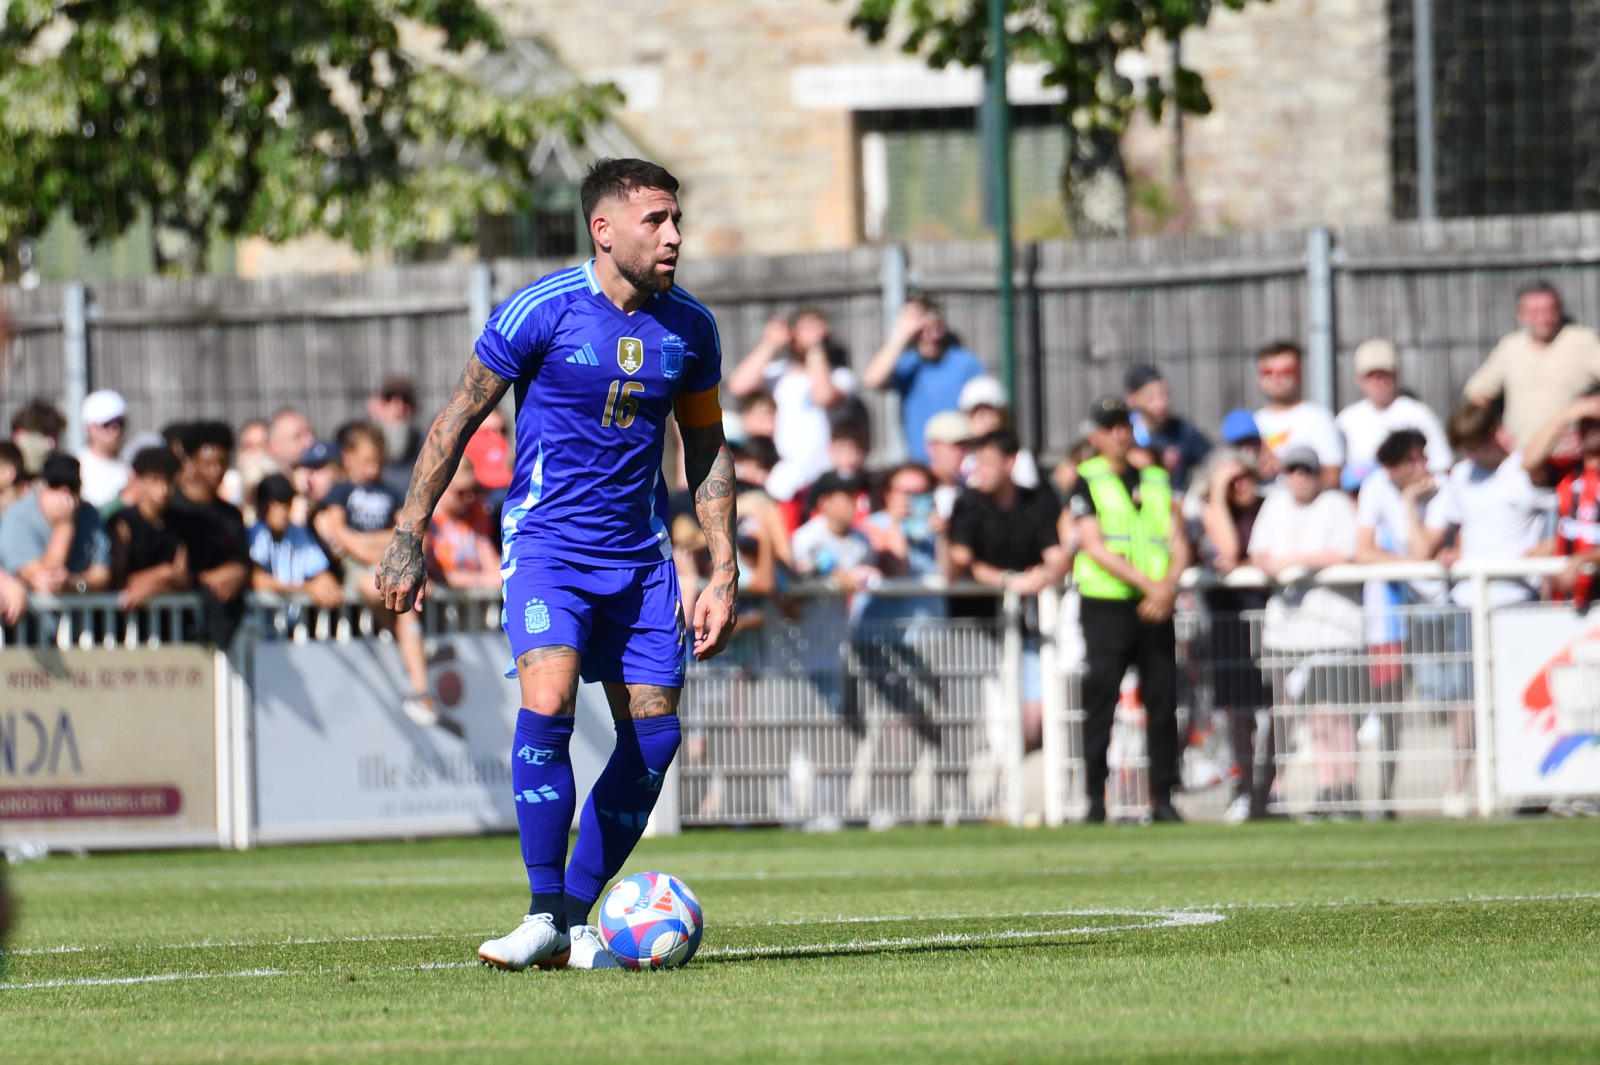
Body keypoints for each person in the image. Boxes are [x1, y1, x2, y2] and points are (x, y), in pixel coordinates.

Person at [374, 157, 736, 972]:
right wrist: (408, 532)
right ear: (603, 230)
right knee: (551, 695)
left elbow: (707, 444)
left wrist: (723, 569)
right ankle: (542, 910)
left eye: (677, 219)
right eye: (656, 221)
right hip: (549, 547)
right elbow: (458, 416)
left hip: (641, 559)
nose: (674, 235)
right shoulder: (541, 310)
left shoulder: (692, 329)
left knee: (655, 733)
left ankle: (575, 919)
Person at [1412, 403, 1551, 815]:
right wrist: (1447, 549)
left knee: (1520, 699)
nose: (1472, 456)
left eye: (1477, 446)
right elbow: (1432, 539)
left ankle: (1528, 785)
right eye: (1465, 449)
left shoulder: (1522, 471)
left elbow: (1562, 514)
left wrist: (1545, 549)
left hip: (1517, 604)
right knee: (1466, 701)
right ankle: (1460, 785)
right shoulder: (1459, 478)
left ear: (1495, 434)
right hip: (1469, 603)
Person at [1066, 398, 1189, 822]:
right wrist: (1153, 586)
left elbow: (1177, 539)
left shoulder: (1155, 480)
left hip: (1155, 605)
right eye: (1111, 426)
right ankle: (1095, 798)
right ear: (1095, 436)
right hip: (1107, 604)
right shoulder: (1086, 480)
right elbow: (1094, 545)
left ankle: (1164, 796)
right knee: (1102, 699)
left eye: (1124, 425)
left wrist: (1167, 586)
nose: (1120, 433)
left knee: (1162, 699)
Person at [1247, 446, 1363, 816]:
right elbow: (1258, 553)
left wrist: (1293, 561)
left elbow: (1344, 553)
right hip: (1287, 631)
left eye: (1306, 470)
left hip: (1332, 629)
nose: (1299, 477)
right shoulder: (1275, 504)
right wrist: (1269, 563)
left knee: (1332, 713)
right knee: (1296, 716)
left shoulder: (1335, 504)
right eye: (1292, 470)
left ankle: (1342, 788)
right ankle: (1305, 790)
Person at [950, 429, 1070, 753]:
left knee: (1034, 717)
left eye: (988, 463)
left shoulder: (1037, 501)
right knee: (978, 725)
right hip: (974, 632)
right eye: (977, 463)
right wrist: (1009, 581)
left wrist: (1043, 575)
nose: (980, 471)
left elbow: (1056, 557)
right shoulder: (967, 504)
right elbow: (963, 561)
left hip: (1025, 626)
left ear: (1010, 462)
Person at [316, 423, 434, 721]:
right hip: (359, 566)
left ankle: (420, 691)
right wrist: (375, 546)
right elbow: (338, 532)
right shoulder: (340, 490)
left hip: (386, 562)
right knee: (376, 589)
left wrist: (372, 544)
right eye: (368, 460)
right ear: (348, 457)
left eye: (378, 461)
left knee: (405, 602)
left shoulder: (389, 492)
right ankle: (409, 644)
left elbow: (411, 532)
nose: (374, 467)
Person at [1353, 429, 1445, 809]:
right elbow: (1364, 550)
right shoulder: (1374, 488)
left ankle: (1458, 790)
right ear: (1392, 468)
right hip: (1389, 618)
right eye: (1413, 461)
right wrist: (1411, 566)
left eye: (1423, 457)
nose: (1422, 466)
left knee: (1456, 699)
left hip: (1438, 610)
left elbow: (1425, 548)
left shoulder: (1440, 490)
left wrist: (1410, 503)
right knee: (1387, 704)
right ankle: (1381, 794)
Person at [1194, 444, 1271, 823]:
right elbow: (1227, 546)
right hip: (1227, 625)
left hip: (1267, 622)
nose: (1241, 485)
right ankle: (1242, 789)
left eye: (1245, 476)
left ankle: (1268, 789)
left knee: (1273, 713)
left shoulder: (1269, 508)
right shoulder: (1208, 511)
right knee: (1238, 713)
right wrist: (1219, 494)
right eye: (1231, 479)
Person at [727, 309, 855, 503]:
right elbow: (738, 386)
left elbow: (823, 396)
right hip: (780, 478)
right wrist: (770, 343)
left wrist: (814, 348)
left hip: (824, 477)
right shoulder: (777, 373)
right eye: (803, 327)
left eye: (815, 327)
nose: (810, 333)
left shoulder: (840, 376)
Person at [1465, 281, 1600, 447]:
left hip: (1566, 458)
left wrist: (1592, 433)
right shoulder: (1510, 347)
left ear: (1559, 310)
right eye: (1534, 312)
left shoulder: (1581, 341)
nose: (1543, 318)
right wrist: (1495, 431)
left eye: (1550, 311)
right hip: (1519, 456)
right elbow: (1477, 393)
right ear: (1520, 314)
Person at [863, 297, 985, 464]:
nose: (930, 337)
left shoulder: (965, 363)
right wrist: (902, 334)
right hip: (921, 462)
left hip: (961, 461)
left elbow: (983, 413)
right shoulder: (909, 363)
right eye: (922, 330)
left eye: (936, 329)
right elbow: (872, 380)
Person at [166, 422, 252, 647]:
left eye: (222, 463)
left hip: (225, 627)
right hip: (176, 630)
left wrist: (239, 573)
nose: (216, 471)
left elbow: (243, 560)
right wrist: (207, 579)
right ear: (191, 463)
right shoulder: (173, 509)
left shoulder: (231, 514)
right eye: (207, 464)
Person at [1335, 339, 1451, 491]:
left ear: (1396, 376)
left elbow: (1443, 467)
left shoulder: (1418, 415)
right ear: (1358, 379)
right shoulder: (1346, 420)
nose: (1379, 382)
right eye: (1371, 375)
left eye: (1384, 374)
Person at [1523, 392, 1600, 607]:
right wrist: (1566, 416)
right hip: (1564, 601)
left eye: (1597, 421)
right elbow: (1529, 462)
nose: (1591, 428)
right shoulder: (1568, 470)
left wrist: (1582, 560)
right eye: (1585, 422)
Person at [0, 453, 111, 595]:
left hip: (78, 616)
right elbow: (46, 581)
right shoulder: (17, 517)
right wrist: (64, 526)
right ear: (41, 487)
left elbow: (103, 574)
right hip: (31, 616)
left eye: (72, 487)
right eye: (56, 484)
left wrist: (72, 583)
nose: (65, 494)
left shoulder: (89, 514)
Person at [107, 446, 189, 610]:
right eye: (155, 480)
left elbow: (183, 578)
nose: (163, 489)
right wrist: (165, 573)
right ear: (139, 480)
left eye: (169, 481)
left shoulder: (181, 522)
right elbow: (118, 581)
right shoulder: (123, 522)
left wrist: (155, 588)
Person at [1253, 341, 1343, 489]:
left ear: (1299, 373)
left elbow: (1334, 477)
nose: (1277, 379)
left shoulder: (1318, 418)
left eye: (1286, 372)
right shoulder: (1253, 422)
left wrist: (1286, 467)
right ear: (1259, 376)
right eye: (1268, 372)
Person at [246, 473, 342, 609]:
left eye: (287, 503)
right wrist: (307, 588)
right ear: (262, 506)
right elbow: (258, 580)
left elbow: (321, 572)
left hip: (296, 623)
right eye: (277, 504)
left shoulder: (299, 533)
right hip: (262, 622)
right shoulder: (256, 533)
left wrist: (330, 589)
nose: (284, 510)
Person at [1124, 364, 1211, 491]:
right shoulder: (1123, 433)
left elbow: (1214, 461)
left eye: (1164, 396)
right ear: (1131, 399)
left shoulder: (1183, 432)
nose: (1161, 404)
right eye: (1151, 398)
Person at [792, 471, 878, 591]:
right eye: (846, 497)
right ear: (824, 503)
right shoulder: (805, 537)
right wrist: (833, 575)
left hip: (842, 609)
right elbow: (795, 581)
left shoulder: (862, 541)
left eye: (854, 496)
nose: (854, 503)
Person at [426, 460, 502, 590]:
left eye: (474, 490)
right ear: (442, 486)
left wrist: (463, 580)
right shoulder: (427, 519)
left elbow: (496, 572)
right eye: (462, 492)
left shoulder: (476, 514)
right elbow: (428, 573)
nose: (470, 498)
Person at [959, 376, 1040, 488]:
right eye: (979, 414)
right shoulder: (964, 459)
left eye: (990, 413)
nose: (985, 421)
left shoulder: (1019, 458)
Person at [368, 376, 424, 500]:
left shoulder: (427, 447)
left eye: (406, 399)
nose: (399, 407)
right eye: (388, 398)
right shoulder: (362, 446)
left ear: (415, 407)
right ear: (373, 406)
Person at [76, 390, 131, 509]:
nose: (116, 431)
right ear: (90, 429)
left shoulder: (129, 470)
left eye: (120, 424)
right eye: (107, 425)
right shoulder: (78, 467)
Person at [922, 410, 970, 520]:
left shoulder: (971, 491)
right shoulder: (918, 490)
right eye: (954, 445)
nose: (960, 452)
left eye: (964, 446)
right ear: (931, 448)